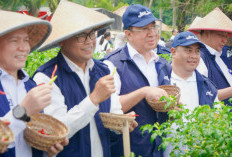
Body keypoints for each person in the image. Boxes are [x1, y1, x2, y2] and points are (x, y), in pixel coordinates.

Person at [33, 1, 137, 157]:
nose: (89, 41)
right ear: (62, 40)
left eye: (91, 34)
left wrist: (121, 122)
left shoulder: (104, 70)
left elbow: (112, 111)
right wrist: (94, 98)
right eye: (81, 36)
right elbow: (56, 132)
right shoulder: (48, 76)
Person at [104, 4, 172, 157]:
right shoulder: (113, 64)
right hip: (129, 149)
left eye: (153, 26)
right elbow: (107, 108)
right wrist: (143, 92)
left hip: (159, 150)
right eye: (144, 29)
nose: (152, 33)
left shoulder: (163, 64)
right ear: (128, 34)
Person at [0, 10, 68, 157]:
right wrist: (23, 110)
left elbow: (30, 135)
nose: (24, 48)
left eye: (26, 40)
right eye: (14, 40)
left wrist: (47, 147)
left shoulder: (30, 85)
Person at [164, 31, 219, 157]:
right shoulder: (161, 79)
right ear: (173, 52)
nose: (194, 56)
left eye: (197, 51)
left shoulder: (207, 86)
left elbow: (217, 120)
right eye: (188, 50)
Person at [188, 7, 232, 105]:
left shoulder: (219, 56)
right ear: (207, 33)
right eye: (221, 35)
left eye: (226, 36)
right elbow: (204, 95)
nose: (224, 40)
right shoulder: (199, 58)